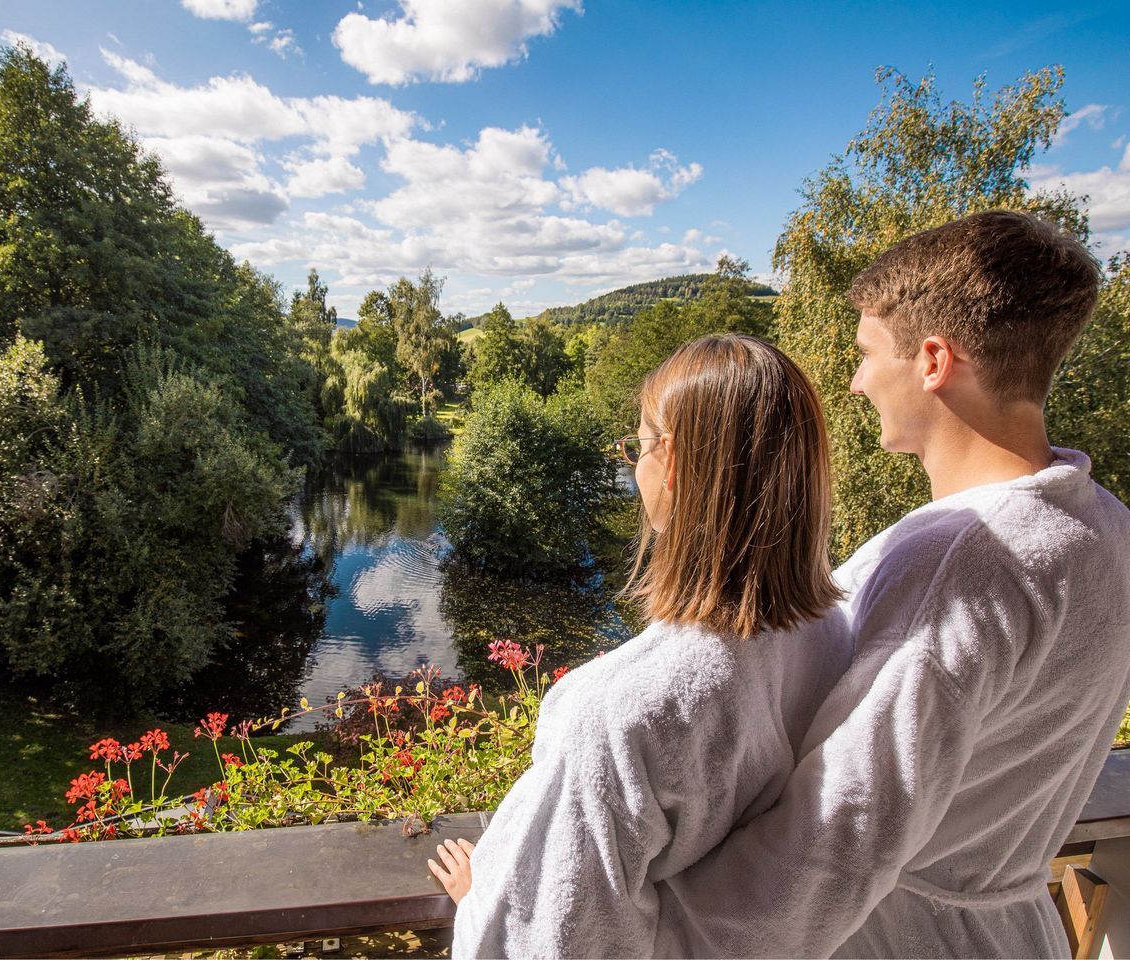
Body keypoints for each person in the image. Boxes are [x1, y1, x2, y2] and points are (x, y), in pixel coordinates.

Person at [644, 210, 1129, 958]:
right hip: (1017, 931)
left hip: (900, 941)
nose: (855, 380)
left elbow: (838, 833)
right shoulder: (1106, 528)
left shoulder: (960, 565)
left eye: (868, 353)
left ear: (933, 360)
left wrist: (637, 931)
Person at [429, 334, 854, 956]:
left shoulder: (623, 713)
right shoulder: (829, 632)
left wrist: (488, 898)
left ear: (673, 460)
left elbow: (554, 940)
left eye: (638, 445)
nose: (634, 465)